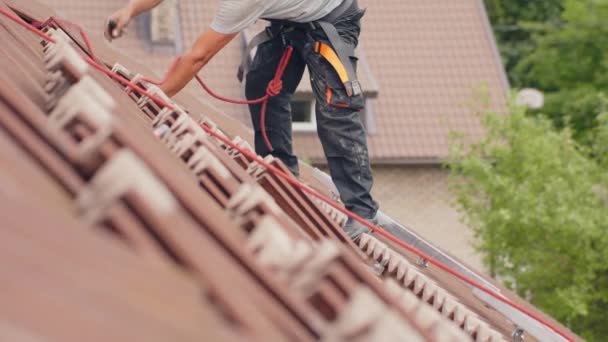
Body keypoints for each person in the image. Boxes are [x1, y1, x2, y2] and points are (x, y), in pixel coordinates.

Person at [106, 0, 380, 240]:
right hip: (294, 18)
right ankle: (280, 172)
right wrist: (129, 11)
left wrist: (156, 94)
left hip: (332, 15)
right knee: (261, 84)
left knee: (335, 109)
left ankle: (362, 210)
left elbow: (198, 56)